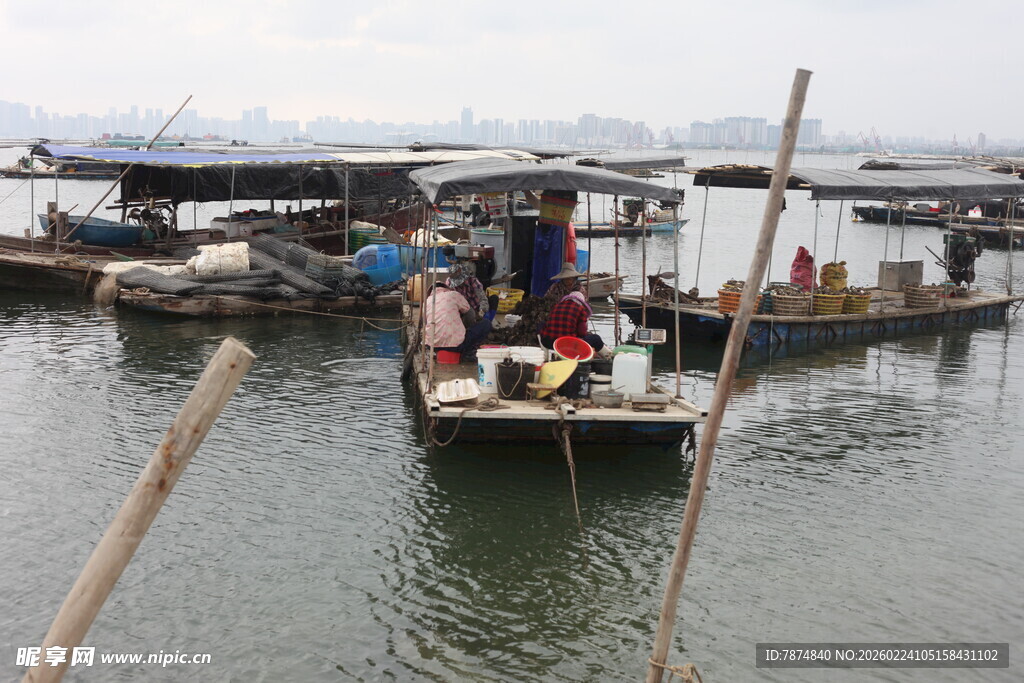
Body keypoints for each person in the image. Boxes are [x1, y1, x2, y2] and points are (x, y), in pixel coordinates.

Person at [540, 263, 609, 356]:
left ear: (574, 278)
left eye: (570, 278)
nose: (568, 281)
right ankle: (608, 357)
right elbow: (582, 332)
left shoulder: (577, 291)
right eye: (566, 279)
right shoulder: (555, 289)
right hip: (566, 342)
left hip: (551, 339)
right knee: (595, 339)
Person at [423, 282, 492, 361]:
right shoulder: (454, 295)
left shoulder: (426, 302)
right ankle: (468, 352)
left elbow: (425, 323)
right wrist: (466, 328)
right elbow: (471, 315)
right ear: (446, 288)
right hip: (455, 346)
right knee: (486, 324)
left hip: (432, 346)